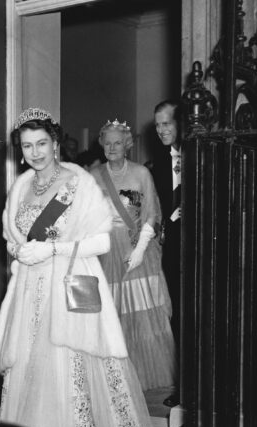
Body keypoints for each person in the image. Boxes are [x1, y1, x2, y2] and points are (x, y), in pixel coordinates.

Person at [0, 108, 154, 427]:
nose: (35, 152)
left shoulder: (78, 184)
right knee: (30, 371)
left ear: (56, 143)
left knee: (71, 370)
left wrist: (52, 248)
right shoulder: (21, 187)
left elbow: (102, 241)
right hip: (29, 293)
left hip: (68, 287)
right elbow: (12, 236)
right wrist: (19, 249)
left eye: (42, 144)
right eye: (27, 146)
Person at [90, 119, 176, 392]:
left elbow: (152, 212)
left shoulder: (141, 174)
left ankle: (142, 376)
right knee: (113, 313)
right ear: (101, 145)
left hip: (137, 248)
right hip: (105, 252)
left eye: (118, 142)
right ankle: (117, 378)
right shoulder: (93, 175)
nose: (112, 147)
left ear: (127, 145)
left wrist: (139, 250)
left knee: (140, 311)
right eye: (107, 143)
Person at [152, 100, 182, 408]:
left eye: (166, 123)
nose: (161, 129)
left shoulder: (202, 153)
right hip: (172, 250)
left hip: (204, 246)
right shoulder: (158, 162)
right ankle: (185, 387)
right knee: (178, 316)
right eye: (158, 124)